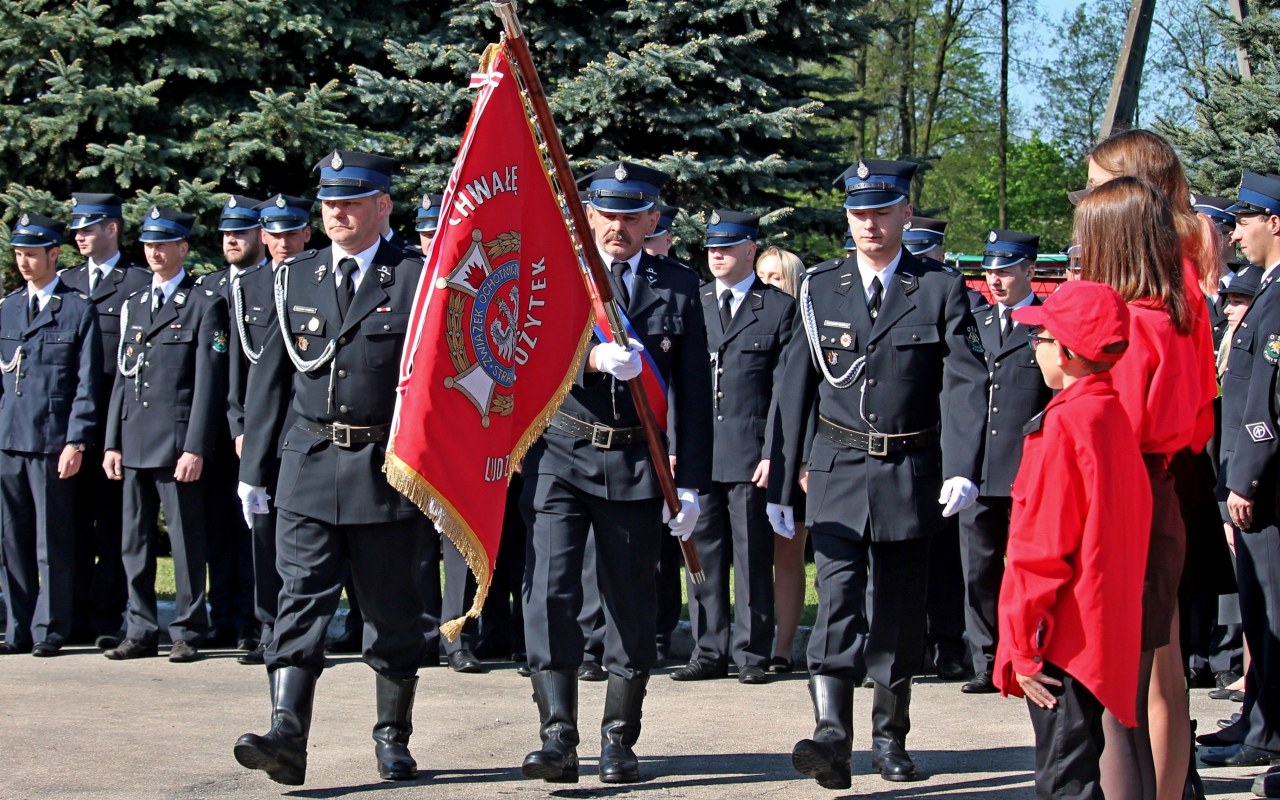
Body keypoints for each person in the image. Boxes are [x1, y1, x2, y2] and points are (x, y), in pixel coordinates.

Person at [770, 159, 987, 787]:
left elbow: (965, 383)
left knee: (895, 612)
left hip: (910, 470)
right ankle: (831, 736)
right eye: (859, 212)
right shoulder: (820, 288)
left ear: (905, 214)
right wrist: (784, 482)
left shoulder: (940, 287)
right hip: (838, 470)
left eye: (882, 211)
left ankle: (890, 737)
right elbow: (794, 391)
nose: (870, 223)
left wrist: (962, 466)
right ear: (848, 217)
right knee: (836, 601)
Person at [233, 149, 428, 786]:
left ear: (383, 206)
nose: (336, 212)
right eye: (329, 201)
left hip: (386, 472)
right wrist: (253, 474)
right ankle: (287, 734)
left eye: (350, 200)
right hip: (309, 466)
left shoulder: (417, 279)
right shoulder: (296, 277)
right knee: (298, 602)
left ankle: (391, 736)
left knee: (392, 612)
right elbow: (270, 384)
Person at [519, 160, 710, 785]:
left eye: (633, 214)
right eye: (607, 211)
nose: (618, 225)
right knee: (551, 591)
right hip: (563, 454)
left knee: (629, 600)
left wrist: (690, 484)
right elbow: (529, 350)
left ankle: (618, 739)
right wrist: (589, 360)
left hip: (634, 459)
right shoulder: (562, 275)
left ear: (654, 219)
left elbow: (691, 393)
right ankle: (557, 736)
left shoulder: (678, 286)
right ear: (589, 213)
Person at [1081, 131, 1220, 800]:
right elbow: (1201, 408)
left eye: (1098, 187)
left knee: (1147, 677)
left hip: (1141, 480)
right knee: (1160, 671)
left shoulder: (1153, 294)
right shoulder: (1181, 273)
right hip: (1172, 467)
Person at [996, 279, 1153, 800]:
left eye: (1040, 336)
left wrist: (1023, 644)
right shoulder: (1109, 414)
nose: (1035, 346)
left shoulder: (1064, 425)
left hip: (1061, 637)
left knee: (1064, 780)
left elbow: (1040, 548)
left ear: (1065, 352)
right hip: (1100, 628)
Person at [102, 206, 229, 664]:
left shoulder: (203, 304)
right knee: (133, 543)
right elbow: (123, 376)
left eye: (165, 244)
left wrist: (196, 446)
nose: (155, 252)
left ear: (183, 248)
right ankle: (139, 627)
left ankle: (188, 630)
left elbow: (209, 382)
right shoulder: (134, 305)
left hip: (177, 446)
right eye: (149, 244)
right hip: (134, 440)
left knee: (184, 542)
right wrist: (111, 442)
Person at [672, 210, 793, 685]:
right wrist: (677, 445)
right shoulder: (694, 302)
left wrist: (773, 452)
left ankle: (752, 654)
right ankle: (708, 650)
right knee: (701, 557)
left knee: (750, 560)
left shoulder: (776, 308)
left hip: (749, 453)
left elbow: (784, 390)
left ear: (751, 251)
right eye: (711, 247)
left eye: (727, 246)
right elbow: (679, 387)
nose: (717, 254)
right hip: (700, 454)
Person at [1204, 171, 1280, 779]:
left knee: (1272, 613)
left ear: (1274, 222)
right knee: (1258, 609)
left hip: (1267, 487)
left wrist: (1245, 480)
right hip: (1254, 480)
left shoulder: (1278, 298)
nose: (1238, 233)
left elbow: (1268, 406)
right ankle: (1259, 721)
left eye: (1247, 220)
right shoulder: (1269, 292)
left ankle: (1270, 732)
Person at [0, 213, 101, 656]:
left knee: (50, 541)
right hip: (8, 439)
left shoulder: (77, 309)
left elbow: (85, 384)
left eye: (32, 254)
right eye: (19, 253)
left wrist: (76, 440)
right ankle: (17, 626)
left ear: (53, 254)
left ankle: (50, 628)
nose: (24, 262)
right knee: (11, 540)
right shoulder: (6, 309)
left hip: (50, 440)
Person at [958, 230, 1053, 694]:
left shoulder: (1046, 324)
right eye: (989, 272)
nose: (994, 281)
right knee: (977, 569)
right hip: (977, 468)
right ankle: (986, 657)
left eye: (1005, 271)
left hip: (1026, 469)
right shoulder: (973, 322)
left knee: (1026, 569)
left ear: (1029, 271)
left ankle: (1026, 654)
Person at [59, 193, 151, 649]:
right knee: (72, 522)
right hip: (73, 424)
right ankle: (74, 611)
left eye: (89, 227)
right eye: (76, 228)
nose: (79, 235)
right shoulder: (66, 282)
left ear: (112, 229)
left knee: (116, 524)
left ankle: (108, 613)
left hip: (119, 423)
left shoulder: (136, 282)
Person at [228, 194, 312, 666]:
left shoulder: (318, 277)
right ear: (263, 236)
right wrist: (241, 426)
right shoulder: (248, 287)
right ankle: (268, 626)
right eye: (273, 233)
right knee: (263, 534)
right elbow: (240, 372)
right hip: (263, 431)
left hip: (306, 427)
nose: (281, 242)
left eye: (289, 232)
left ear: (305, 234)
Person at [197, 195, 265, 650]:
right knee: (216, 527)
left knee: (251, 532)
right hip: (209, 430)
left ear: (260, 234)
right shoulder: (208, 287)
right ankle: (221, 614)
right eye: (226, 233)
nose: (232, 240)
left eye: (241, 232)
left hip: (249, 429)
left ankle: (251, 623)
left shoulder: (269, 284)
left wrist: (245, 425)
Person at [755, 245, 807, 672]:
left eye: (777, 277)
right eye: (763, 276)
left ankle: (783, 647)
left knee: (787, 555)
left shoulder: (800, 320)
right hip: (750, 452)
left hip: (791, 454)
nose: (769, 284)